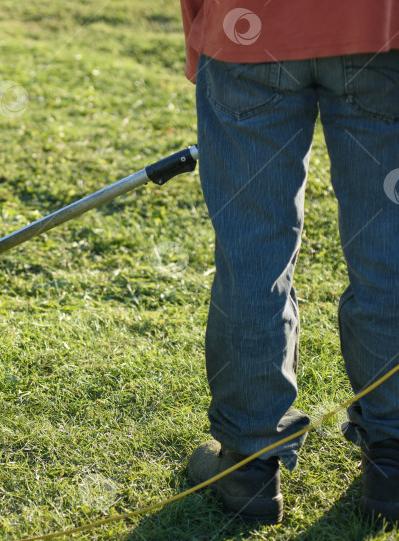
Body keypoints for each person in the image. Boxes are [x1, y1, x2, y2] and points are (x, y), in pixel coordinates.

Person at [179, 0, 399, 525]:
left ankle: (249, 466)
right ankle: (393, 459)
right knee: (389, 253)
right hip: (379, 31)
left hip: (248, 31)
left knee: (253, 257)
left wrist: (202, 26)